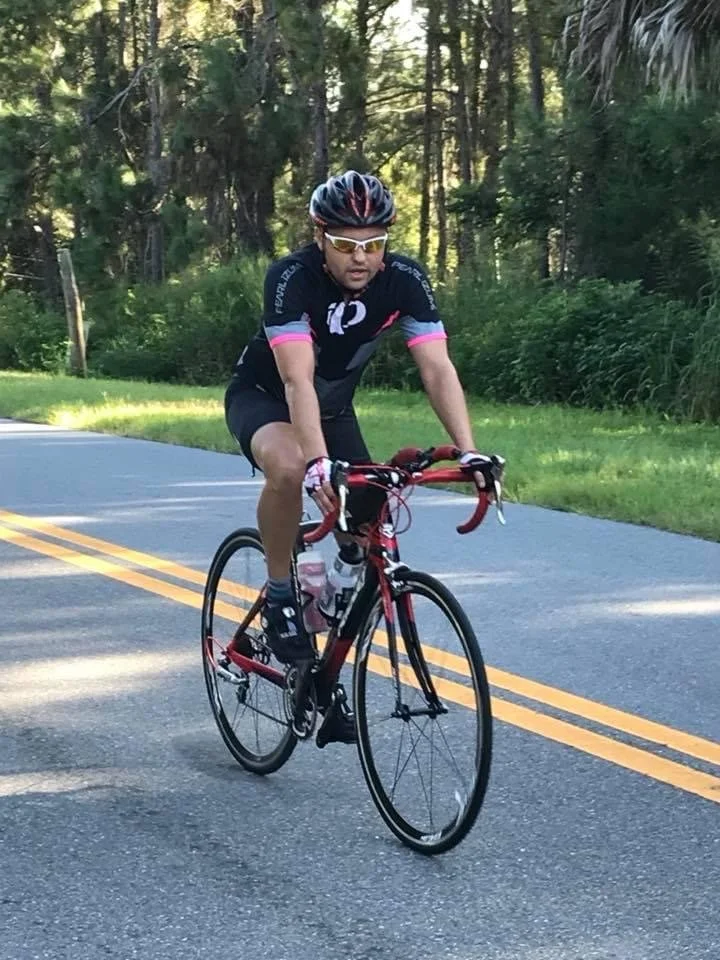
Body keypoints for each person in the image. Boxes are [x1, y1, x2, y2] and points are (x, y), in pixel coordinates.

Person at [224, 170, 490, 741]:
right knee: (294, 467)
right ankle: (278, 595)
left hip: (334, 410)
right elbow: (297, 382)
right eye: (346, 244)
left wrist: (469, 454)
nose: (361, 257)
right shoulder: (291, 278)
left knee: (369, 517)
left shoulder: (405, 280)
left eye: (373, 243)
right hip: (267, 399)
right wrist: (320, 463)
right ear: (319, 237)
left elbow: (437, 367)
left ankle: (324, 639)